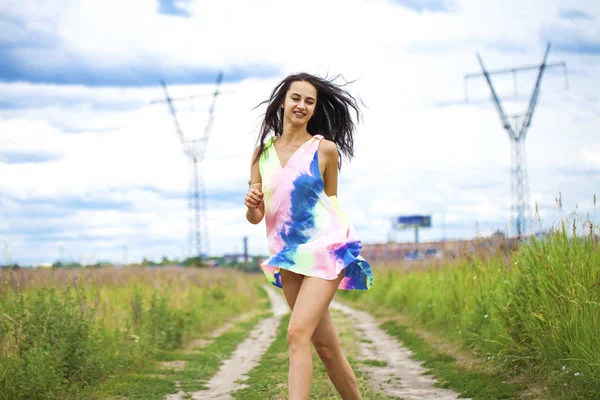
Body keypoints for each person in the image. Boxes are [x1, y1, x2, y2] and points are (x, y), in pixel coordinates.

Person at [244, 72, 373, 400]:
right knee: (326, 348)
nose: (301, 105)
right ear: (283, 102)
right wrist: (251, 205)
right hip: (288, 254)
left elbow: (330, 203)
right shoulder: (262, 154)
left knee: (297, 334)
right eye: (296, 98)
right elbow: (258, 216)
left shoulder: (325, 150)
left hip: (325, 249)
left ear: (315, 109)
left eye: (309, 101)